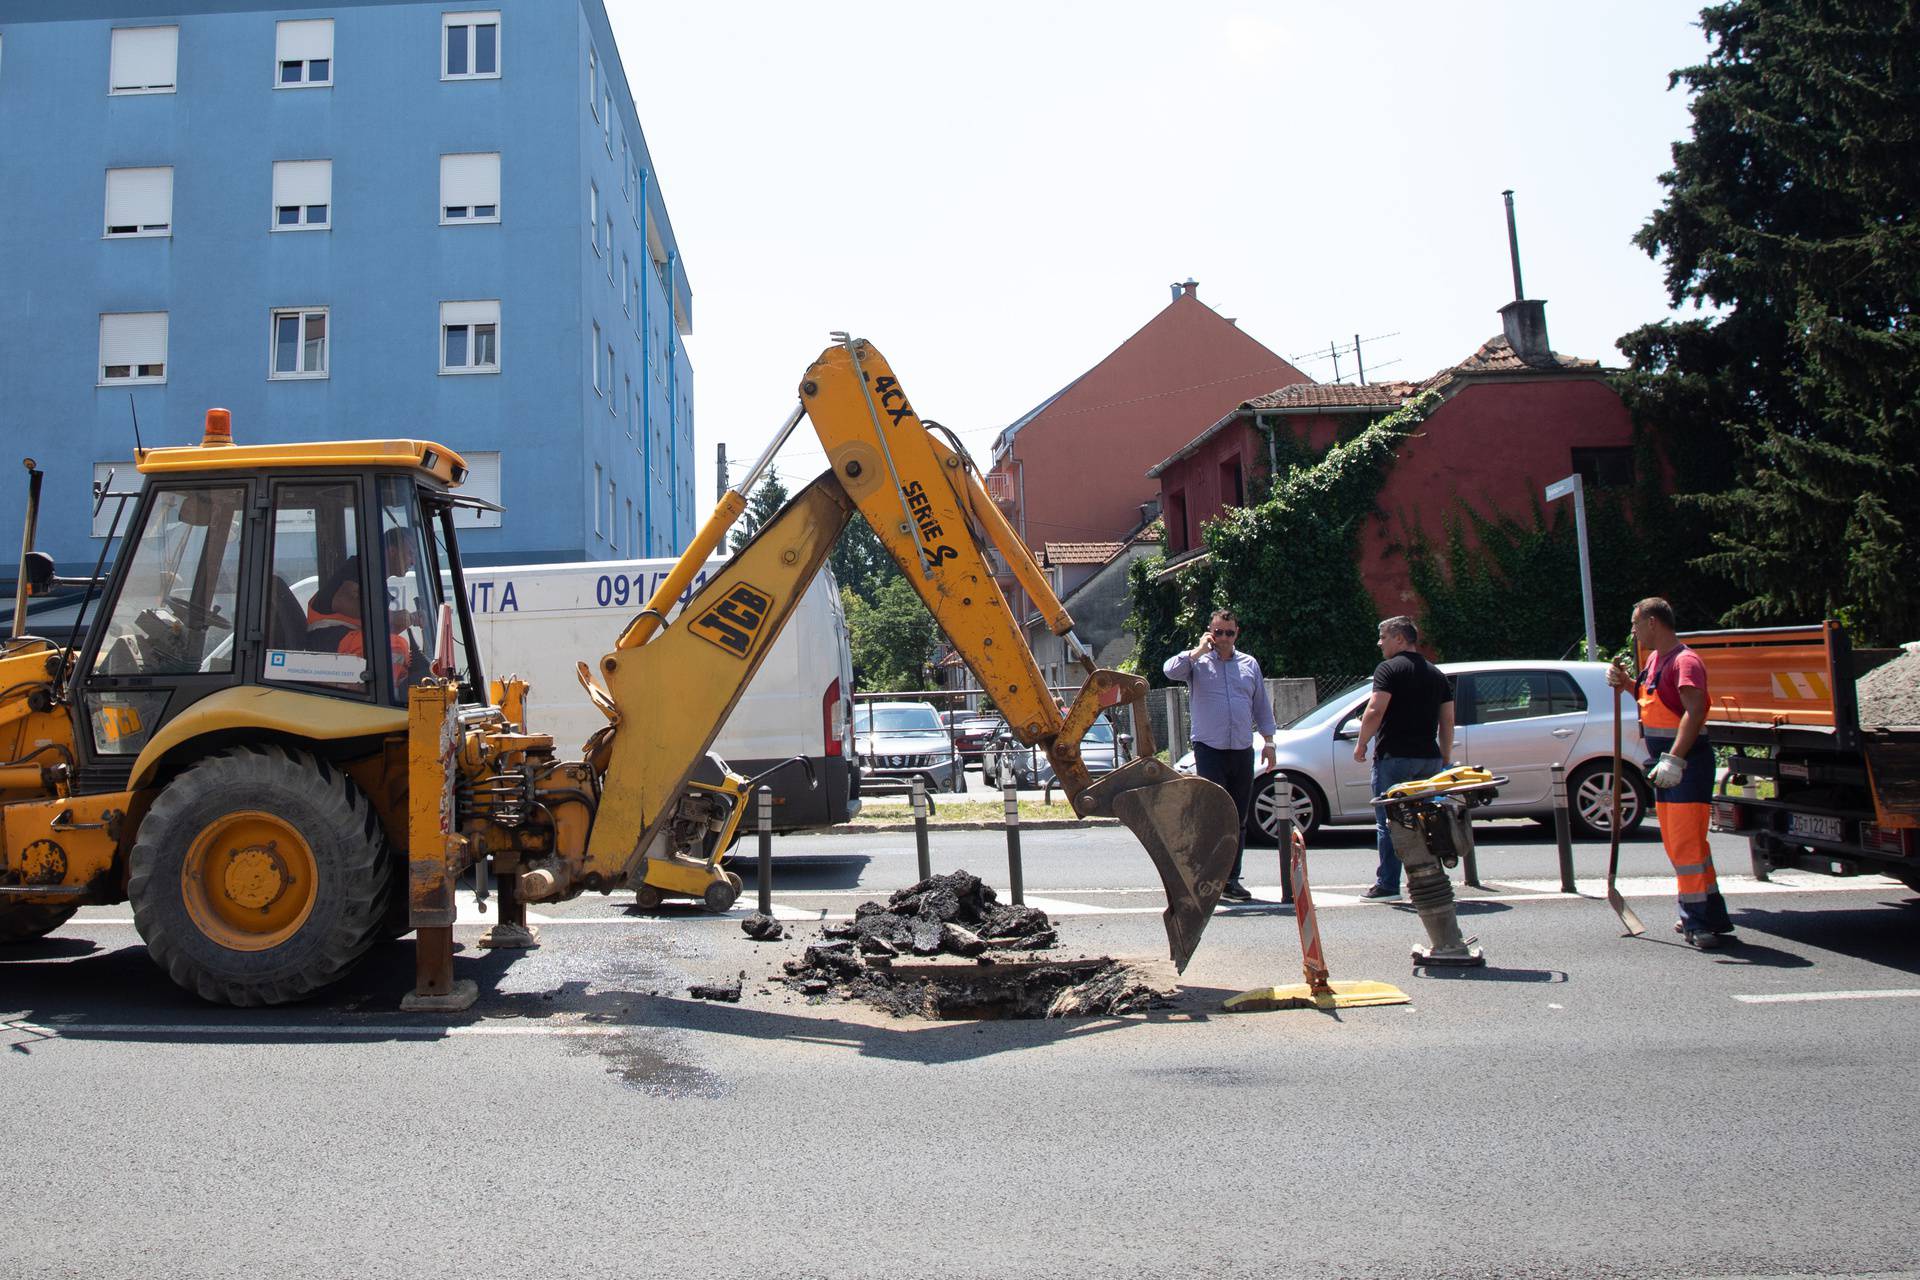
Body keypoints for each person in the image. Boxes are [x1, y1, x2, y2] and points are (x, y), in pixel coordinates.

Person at [1607, 596, 1735, 948]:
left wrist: (1675, 758)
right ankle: (1711, 914)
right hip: (1666, 766)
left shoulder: (1685, 661)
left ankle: (1697, 922)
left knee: (1685, 846)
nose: (1633, 631)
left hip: (1685, 767)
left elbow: (1695, 711)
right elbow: (1650, 698)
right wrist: (1626, 683)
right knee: (1689, 846)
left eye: (1636, 623)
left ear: (1652, 623)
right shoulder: (1654, 662)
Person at [1164, 608, 1278, 901]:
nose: (1224, 638)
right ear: (1209, 632)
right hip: (1209, 748)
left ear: (1236, 633)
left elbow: (1261, 706)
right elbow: (1169, 670)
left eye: (1229, 632)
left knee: (1237, 817)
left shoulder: (1248, 664)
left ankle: (1231, 879)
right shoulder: (1198, 663)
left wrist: (1269, 742)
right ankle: (1207, 876)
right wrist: (1197, 651)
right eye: (1218, 632)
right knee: (1213, 815)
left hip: (1241, 748)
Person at [1353, 616, 1454, 900]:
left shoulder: (1388, 670)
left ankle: (1387, 884)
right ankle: (1428, 879)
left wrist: (1361, 743)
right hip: (1428, 758)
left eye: (1383, 637)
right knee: (1426, 820)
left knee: (1390, 821)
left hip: (1394, 757)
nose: (1379, 643)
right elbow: (1447, 721)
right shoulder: (1436, 674)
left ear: (1399, 639)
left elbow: (1375, 710)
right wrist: (1444, 757)